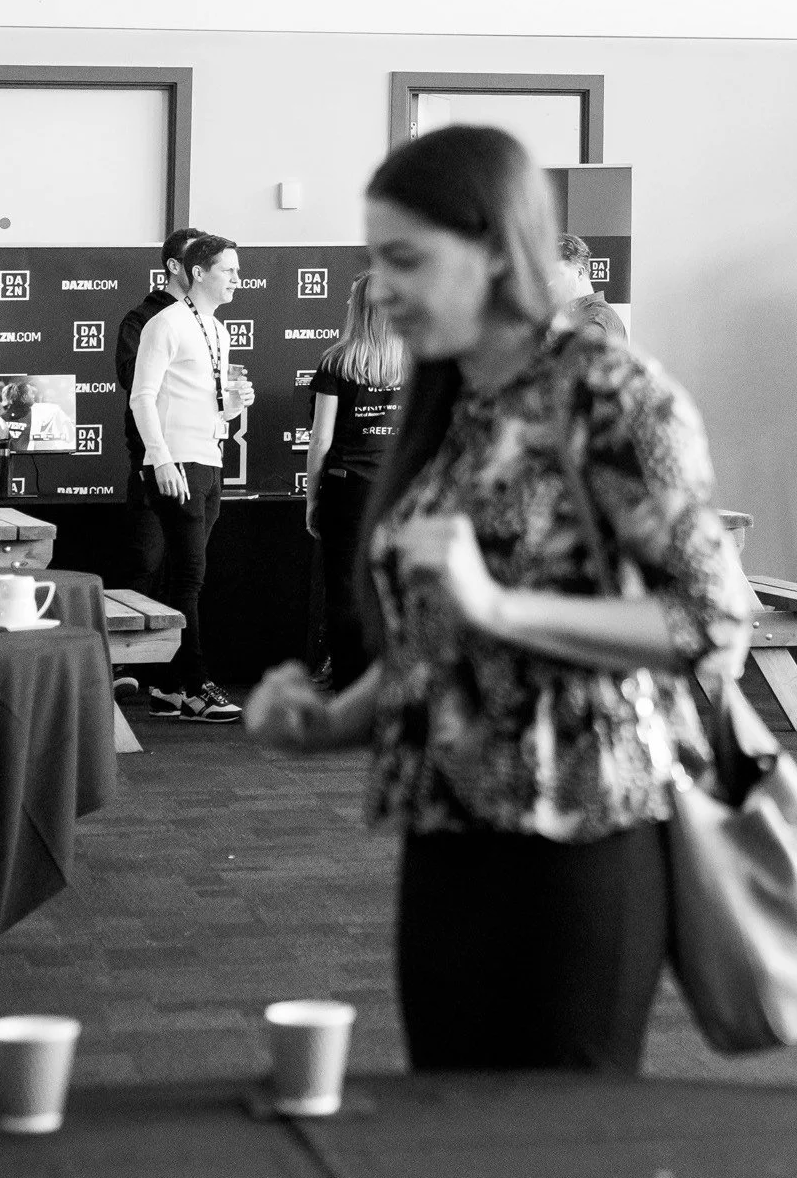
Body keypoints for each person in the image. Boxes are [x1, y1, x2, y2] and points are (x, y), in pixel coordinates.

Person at [245, 125, 753, 1073]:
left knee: (556, 1165)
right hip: (445, 834)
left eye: (405, 260)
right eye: (374, 260)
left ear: (492, 250)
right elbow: (435, 648)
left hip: (582, 836)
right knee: (449, 1141)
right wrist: (330, 720)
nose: (381, 288)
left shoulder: (612, 392)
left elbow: (714, 624)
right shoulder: (450, 403)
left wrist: (502, 607)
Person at [129, 233, 255, 723]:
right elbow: (142, 397)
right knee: (188, 577)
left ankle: (165, 685)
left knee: (186, 577)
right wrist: (159, 459)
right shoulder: (164, 324)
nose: (237, 280)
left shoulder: (217, 331)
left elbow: (204, 404)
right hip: (176, 461)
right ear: (198, 273)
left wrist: (232, 406)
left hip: (208, 459)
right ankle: (197, 685)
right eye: (229, 271)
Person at [307, 272, 408, 687]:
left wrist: (312, 498)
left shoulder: (337, 360)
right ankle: (391, 679)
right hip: (397, 488)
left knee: (344, 588)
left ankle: (349, 681)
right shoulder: (416, 359)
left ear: (358, 308)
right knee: (393, 584)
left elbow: (321, 438)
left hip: (347, 488)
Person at [113, 227, 201, 696]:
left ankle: (175, 680)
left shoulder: (206, 323)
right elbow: (137, 386)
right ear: (175, 266)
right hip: (154, 460)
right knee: (144, 560)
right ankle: (123, 665)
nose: (214, 273)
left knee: (186, 571)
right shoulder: (143, 320)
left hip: (200, 463)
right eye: (199, 260)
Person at [552, 233, 627, 342]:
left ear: (580, 273)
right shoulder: (572, 316)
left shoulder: (598, 319)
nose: (551, 283)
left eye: (558, 275)